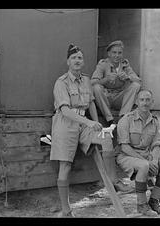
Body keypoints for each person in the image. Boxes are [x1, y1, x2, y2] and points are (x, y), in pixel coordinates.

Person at [50, 44, 115, 217]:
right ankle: (66, 210)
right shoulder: (61, 82)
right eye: (74, 58)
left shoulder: (86, 80)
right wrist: (88, 121)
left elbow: (91, 102)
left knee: (106, 139)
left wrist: (95, 122)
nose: (77, 60)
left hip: (84, 124)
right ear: (68, 62)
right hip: (65, 125)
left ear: (83, 61)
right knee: (65, 166)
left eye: (80, 57)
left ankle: (112, 181)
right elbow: (64, 110)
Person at [116, 88, 160, 217]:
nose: (145, 103)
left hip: (146, 156)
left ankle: (154, 201)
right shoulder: (126, 120)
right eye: (142, 100)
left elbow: (156, 144)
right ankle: (141, 205)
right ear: (136, 102)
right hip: (126, 156)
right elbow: (124, 147)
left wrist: (154, 160)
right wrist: (147, 161)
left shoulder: (154, 121)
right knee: (144, 166)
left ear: (152, 102)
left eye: (148, 100)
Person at [91, 40, 141, 126]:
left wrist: (128, 77)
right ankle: (109, 119)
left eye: (119, 53)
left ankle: (123, 117)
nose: (117, 55)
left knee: (135, 85)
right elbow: (92, 83)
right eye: (114, 52)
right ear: (109, 54)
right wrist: (106, 79)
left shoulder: (125, 65)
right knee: (96, 87)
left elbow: (138, 81)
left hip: (119, 98)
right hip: (106, 98)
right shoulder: (103, 65)